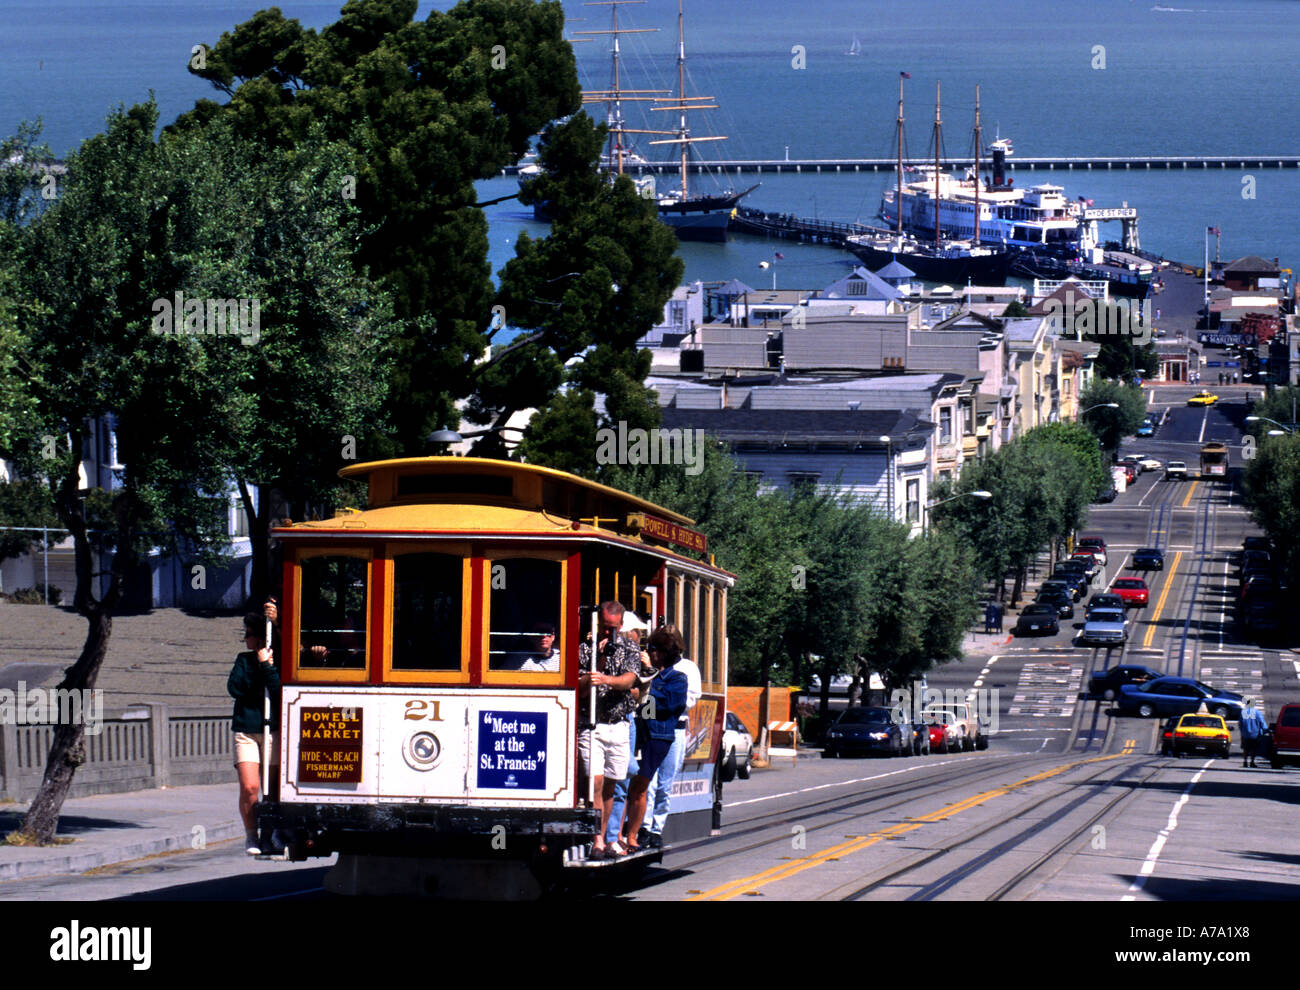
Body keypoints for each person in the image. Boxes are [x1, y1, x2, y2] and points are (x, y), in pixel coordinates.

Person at [576, 601, 641, 857]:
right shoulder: (584, 648)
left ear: (620, 625)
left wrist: (606, 680)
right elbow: (580, 689)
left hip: (618, 726)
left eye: (612, 628)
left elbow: (629, 680)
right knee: (596, 783)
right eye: (604, 628)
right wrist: (599, 660)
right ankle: (597, 840)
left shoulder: (630, 648)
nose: (607, 633)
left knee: (612, 786)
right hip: (592, 726)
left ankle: (605, 836)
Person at [622, 626, 690, 853]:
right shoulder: (643, 673)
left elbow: (670, 704)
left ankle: (635, 833)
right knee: (628, 784)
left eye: (653, 649)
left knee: (643, 785)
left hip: (658, 737)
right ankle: (626, 832)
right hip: (638, 732)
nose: (649, 653)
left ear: (662, 653)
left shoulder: (676, 678)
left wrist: (647, 685)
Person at [228, 613, 281, 855]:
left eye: (248, 634)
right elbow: (235, 688)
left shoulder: (275, 660)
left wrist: (266, 667)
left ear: (260, 636)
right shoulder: (243, 660)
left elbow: (278, 691)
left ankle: (269, 835)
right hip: (246, 731)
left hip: (271, 729)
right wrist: (257, 667)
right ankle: (251, 835)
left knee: (271, 790)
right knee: (250, 787)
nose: (245, 639)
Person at [645, 624, 701, 847]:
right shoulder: (652, 666)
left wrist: (662, 702)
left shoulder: (687, 668)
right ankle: (644, 826)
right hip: (650, 727)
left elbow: (688, 699)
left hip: (675, 728)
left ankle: (656, 829)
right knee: (647, 781)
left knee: (665, 784)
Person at [604, 613, 651, 851]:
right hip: (616, 719)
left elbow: (641, 695)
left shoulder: (634, 658)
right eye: (636, 633)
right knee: (620, 776)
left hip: (628, 718)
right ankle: (612, 836)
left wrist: (647, 669)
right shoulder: (613, 655)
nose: (639, 637)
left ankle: (615, 834)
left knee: (623, 777)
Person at [1240, 699, 1269, 768]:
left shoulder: (1243, 712)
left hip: (1245, 734)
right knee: (1253, 748)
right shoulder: (1257, 713)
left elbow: (1240, 723)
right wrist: (1265, 730)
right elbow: (1262, 723)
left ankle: (1245, 761)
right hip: (1255, 734)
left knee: (1246, 748)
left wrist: (1242, 731)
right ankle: (1252, 762)